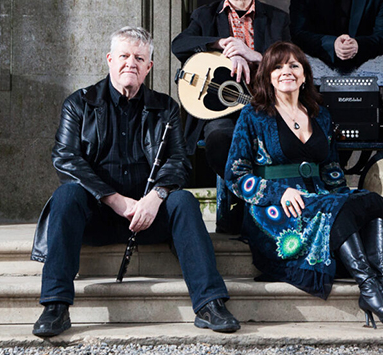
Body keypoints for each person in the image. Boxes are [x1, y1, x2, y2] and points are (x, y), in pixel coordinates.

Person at [31, 27, 239, 337]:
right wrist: (114, 199)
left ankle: (210, 304)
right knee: (66, 195)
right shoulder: (79, 103)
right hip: (97, 215)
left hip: (149, 216)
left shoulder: (166, 107)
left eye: (139, 58)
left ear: (149, 67)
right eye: (125, 56)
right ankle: (55, 307)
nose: (131, 63)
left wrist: (155, 198)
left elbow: (180, 162)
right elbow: (65, 159)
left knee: (183, 201)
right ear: (110, 60)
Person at [224, 41, 383, 328]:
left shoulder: (320, 115)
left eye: (293, 65)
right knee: (338, 208)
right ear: (268, 76)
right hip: (277, 207)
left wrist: (344, 197)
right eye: (277, 66)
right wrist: (279, 191)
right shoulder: (254, 114)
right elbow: (236, 175)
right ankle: (371, 289)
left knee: (368, 202)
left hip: (320, 197)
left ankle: (378, 288)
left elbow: (332, 169)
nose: (286, 71)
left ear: (304, 74)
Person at [172, 0, 290, 233]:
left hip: (267, 107)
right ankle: (254, 205)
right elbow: (179, 45)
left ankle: (254, 210)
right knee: (219, 139)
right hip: (222, 113)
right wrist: (222, 45)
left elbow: (291, 61)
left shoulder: (277, 19)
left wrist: (254, 54)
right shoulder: (205, 16)